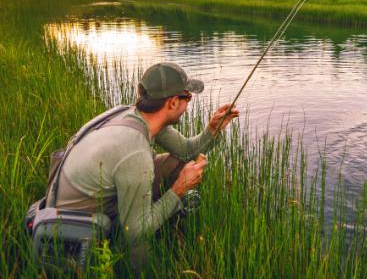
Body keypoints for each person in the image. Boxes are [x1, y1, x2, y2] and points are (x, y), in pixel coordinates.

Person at [49, 62, 239, 268]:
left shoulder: (136, 115)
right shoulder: (135, 152)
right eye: (187, 98)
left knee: (177, 162)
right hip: (77, 224)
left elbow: (186, 152)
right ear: (173, 102)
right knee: (139, 239)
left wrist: (213, 128)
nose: (188, 104)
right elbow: (135, 232)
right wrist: (179, 189)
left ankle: (153, 216)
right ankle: (139, 268)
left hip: (84, 195)